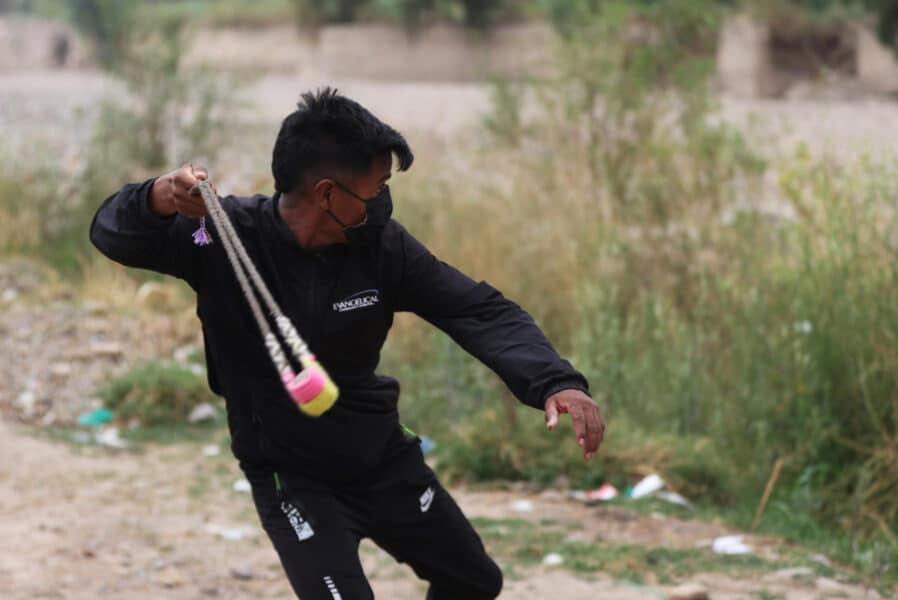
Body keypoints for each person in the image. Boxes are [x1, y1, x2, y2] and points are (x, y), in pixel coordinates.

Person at [89, 87, 605, 600]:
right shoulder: (221, 238)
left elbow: (475, 308)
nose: (384, 199)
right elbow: (112, 232)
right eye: (377, 186)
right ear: (327, 192)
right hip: (292, 477)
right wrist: (159, 196)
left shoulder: (383, 247)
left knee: (475, 582)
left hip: (380, 456)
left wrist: (554, 380)